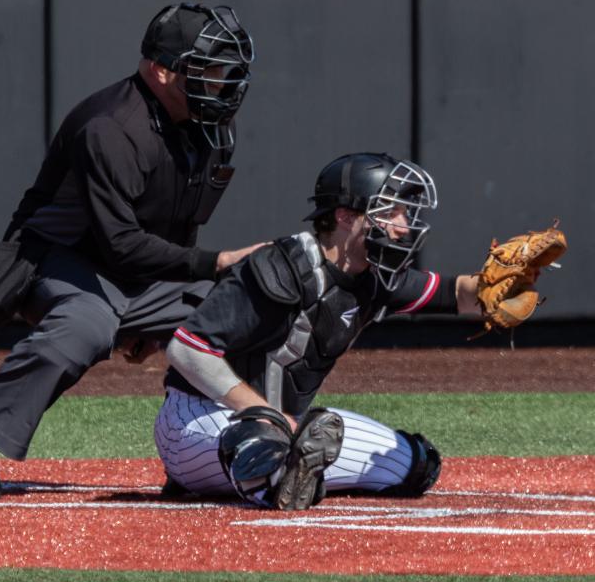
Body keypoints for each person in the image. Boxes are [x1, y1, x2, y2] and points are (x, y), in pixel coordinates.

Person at [0, 3, 263, 499]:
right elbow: (121, 245)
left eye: (225, 70)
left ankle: (216, 449)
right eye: (208, 69)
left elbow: (180, 229)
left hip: (132, 267)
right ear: (161, 69)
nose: (222, 81)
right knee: (88, 324)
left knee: (252, 297)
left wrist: (172, 316)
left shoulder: (210, 127)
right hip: (55, 260)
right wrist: (212, 265)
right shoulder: (111, 127)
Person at [153, 152, 493, 509]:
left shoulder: (375, 276)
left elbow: (457, 294)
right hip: (198, 418)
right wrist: (264, 412)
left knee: (418, 465)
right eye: (390, 212)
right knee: (270, 451)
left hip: (282, 427)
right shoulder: (281, 266)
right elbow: (186, 350)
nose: (403, 226)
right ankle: (268, 474)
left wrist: (498, 289)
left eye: (404, 213)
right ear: (345, 216)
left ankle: (282, 469)